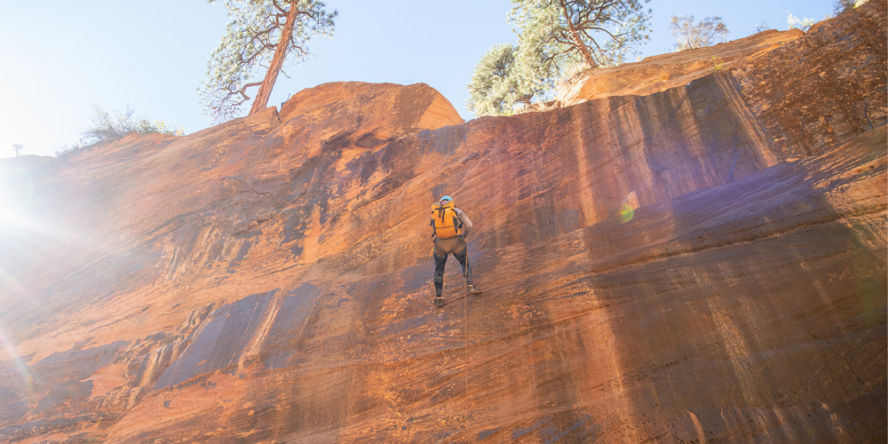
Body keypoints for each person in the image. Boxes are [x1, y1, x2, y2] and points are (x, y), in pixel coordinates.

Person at [430, 195, 481, 307]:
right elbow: (469, 225)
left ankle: (439, 298)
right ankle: (470, 286)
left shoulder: (436, 212)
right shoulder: (456, 210)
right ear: (451, 202)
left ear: (441, 203)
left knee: (439, 270)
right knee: (465, 264)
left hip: (440, 245)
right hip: (456, 242)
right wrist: (463, 236)